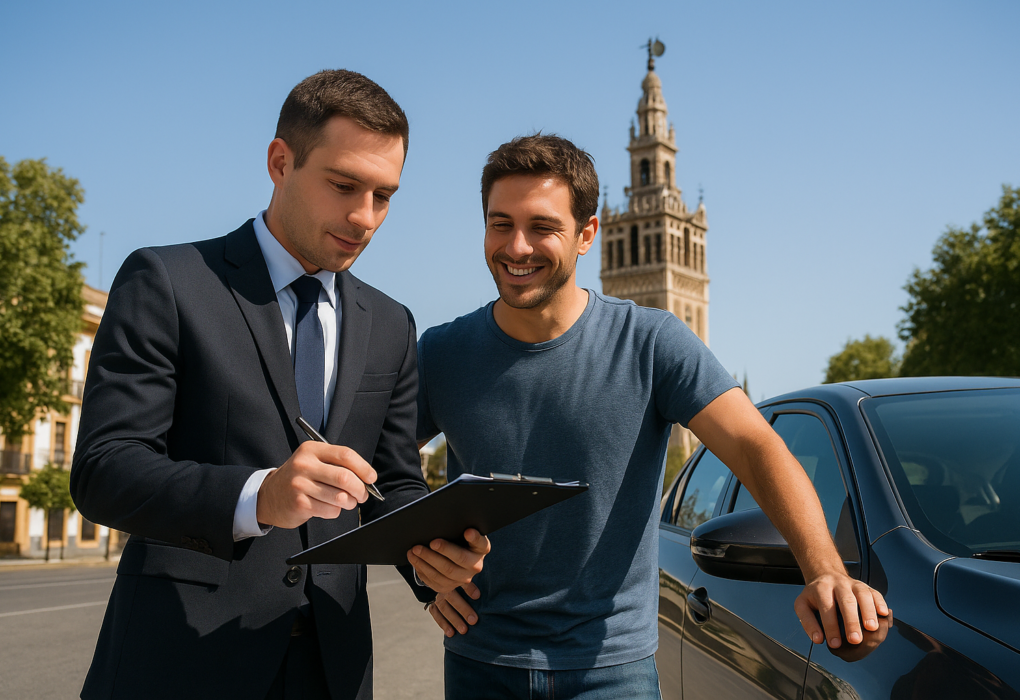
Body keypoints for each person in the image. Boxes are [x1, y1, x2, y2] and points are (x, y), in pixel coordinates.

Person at [413, 134, 890, 699]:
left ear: (588, 234)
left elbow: (755, 447)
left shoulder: (651, 342)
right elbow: (372, 475)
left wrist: (825, 570)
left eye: (542, 227)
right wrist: (422, 574)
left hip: (610, 674)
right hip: (479, 665)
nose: (517, 247)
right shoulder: (441, 353)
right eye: (500, 224)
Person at [70, 69, 488, 700]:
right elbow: (106, 470)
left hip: (333, 668)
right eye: (344, 185)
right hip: (180, 663)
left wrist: (434, 549)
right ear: (280, 162)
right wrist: (257, 495)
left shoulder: (392, 325)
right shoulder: (167, 281)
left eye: (384, 195)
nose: (364, 216)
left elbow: (392, 483)